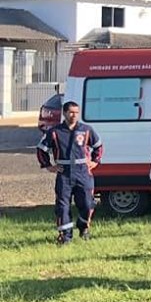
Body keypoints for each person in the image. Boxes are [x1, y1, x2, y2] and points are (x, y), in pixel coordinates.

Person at [36, 100, 103, 244]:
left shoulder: (86, 130)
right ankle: (65, 236)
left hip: (83, 173)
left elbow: (98, 146)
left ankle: (83, 228)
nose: (74, 115)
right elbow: (41, 149)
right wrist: (48, 166)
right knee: (63, 206)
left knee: (87, 203)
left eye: (76, 112)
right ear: (65, 113)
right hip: (64, 174)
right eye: (71, 112)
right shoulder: (55, 132)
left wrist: (95, 161)